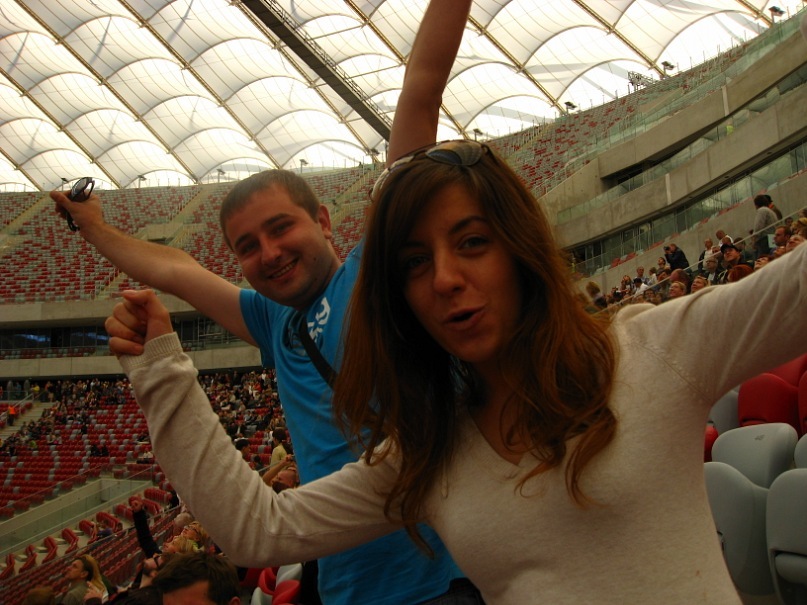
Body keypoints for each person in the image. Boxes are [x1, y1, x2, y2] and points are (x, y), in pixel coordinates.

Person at [107, 138, 807, 603]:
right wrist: (160, 366)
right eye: (415, 263)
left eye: (472, 242)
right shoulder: (427, 453)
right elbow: (258, 529)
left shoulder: (653, 349)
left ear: (519, 247)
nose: (443, 278)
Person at [53, 2, 470, 603]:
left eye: (281, 228)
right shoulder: (273, 321)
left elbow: (420, 94)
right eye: (247, 246)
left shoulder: (373, 271)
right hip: (345, 582)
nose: (269, 252)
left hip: (441, 573)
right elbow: (177, 271)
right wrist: (93, 227)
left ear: (323, 221)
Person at [750, 194, 777, 259]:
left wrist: (754, 240)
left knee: (762, 258)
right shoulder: (770, 211)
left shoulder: (762, 210)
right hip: (772, 237)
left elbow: (758, 226)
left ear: (756, 204)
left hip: (765, 239)